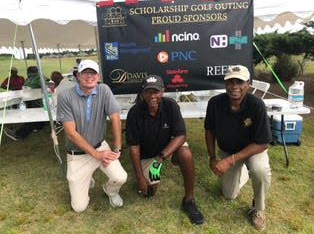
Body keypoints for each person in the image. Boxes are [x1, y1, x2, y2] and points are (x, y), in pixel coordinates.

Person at [125, 75, 204, 225]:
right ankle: (155, 171)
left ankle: (189, 199)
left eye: (156, 91)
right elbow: (134, 148)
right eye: (148, 92)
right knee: (149, 193)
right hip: (148, 155)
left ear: (163, 92)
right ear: (142, 93)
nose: (152, 96)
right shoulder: (134, 113)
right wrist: (140, 177)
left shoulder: (171, 105)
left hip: (166, 151)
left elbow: (181, 135)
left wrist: (160, 158)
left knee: (185, 153)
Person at [204, 65, 272, 231]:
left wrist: (230, 160)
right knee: (228, 195)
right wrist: (212, 158)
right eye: (230, 81)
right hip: (228, 150)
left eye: (239, 82)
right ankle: (243, 172)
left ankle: (258, 208)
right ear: (225, 84)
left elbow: (263, 142)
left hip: (253, 150)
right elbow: (209, 130)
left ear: (247, 84)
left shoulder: (257, 105)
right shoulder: (214, 103)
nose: (234, 86)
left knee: (260, 170)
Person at [56, 59, 127, 212]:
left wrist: (117, 148)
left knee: (120, 177)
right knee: (79, 207)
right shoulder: (65, 96)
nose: (90, 76)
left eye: (93, 73)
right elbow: (71, 133)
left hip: (100, 146)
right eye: (85, 73)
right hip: (77, 155)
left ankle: (110, 190)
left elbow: (115, 117)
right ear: (78, 75)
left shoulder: (104, 90)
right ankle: (87, 177)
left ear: (98, 75)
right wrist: (97, 155)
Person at [4, 66, 46, 141]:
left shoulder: (40, 77)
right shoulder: (28, 79)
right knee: (30, 116)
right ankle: (38, 126)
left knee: (31, 118)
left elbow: (46, 84)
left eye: (29, 72)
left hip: (36, 101)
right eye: (28, 72)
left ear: (34, 72)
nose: (28, 74)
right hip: (28, 99)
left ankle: (18, 135)